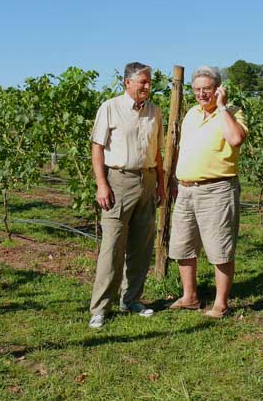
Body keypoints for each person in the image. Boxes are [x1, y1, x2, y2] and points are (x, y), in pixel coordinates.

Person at [88, 62, 165, 329]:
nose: (147, 86)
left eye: (149, 81)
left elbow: (157, 152)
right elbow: (97, 148)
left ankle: (131, 299)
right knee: (112, 247)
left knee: (141, 246)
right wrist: (102, 184)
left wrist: (161, 185)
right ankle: (100, 308)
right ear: (127, 83)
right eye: (142, 81)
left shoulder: (155, 111)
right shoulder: (110, 108)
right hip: (118, 181)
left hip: (148, 180)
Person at [168, 66, 248, 318]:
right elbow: (184, 148)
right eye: (198, 90)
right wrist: (175, 179)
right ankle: (189, 296)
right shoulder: (191, 114)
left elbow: (235, 139)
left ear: (219, 89)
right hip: (186, 189)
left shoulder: (233, 113)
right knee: (183, 245)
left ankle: (220, 304)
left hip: (217, 190)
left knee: (219, 248)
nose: (202, 94)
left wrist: (222, 107)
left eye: (208, 89)